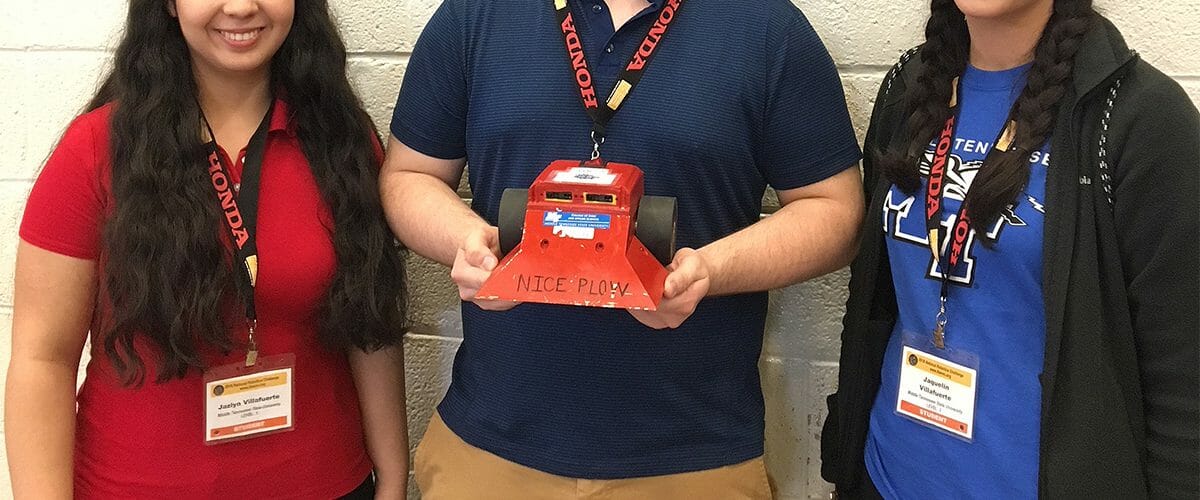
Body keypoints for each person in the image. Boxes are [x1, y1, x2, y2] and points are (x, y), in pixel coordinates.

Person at [381, 0, 864, 498]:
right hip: (489, 448)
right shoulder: (473, 15)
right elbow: (409, 175)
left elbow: (836, 213)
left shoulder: (767, 28)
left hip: (693, 458)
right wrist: (468, 242)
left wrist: (709, 271)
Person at [4, 0, 409, 498]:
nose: (241, 7)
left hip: (328, 483)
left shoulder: (342, 144)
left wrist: (393, 476)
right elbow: (43, 361)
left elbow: (369, 324)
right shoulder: (95, 150)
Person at [820, 0, 1199, 498]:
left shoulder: (1141, 118)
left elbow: (1182, 388)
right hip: (886, 475)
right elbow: (872, 298)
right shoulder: (908, 85)